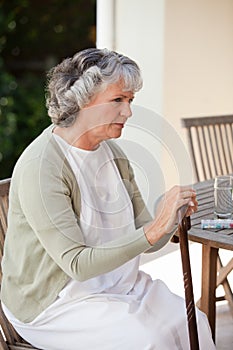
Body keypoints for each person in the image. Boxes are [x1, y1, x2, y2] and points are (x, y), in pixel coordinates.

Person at [1, 48, 215, 350]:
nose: (128, 112)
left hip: (116, 283)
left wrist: (170, 218)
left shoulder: (112, 153)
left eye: (130, 101)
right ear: (82, 102)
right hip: (56, 303)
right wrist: (153, 230)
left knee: (194, 323)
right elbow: (77, 264)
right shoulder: (43, 167)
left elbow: (149, 237)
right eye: (117, 100)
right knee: (149, 341)